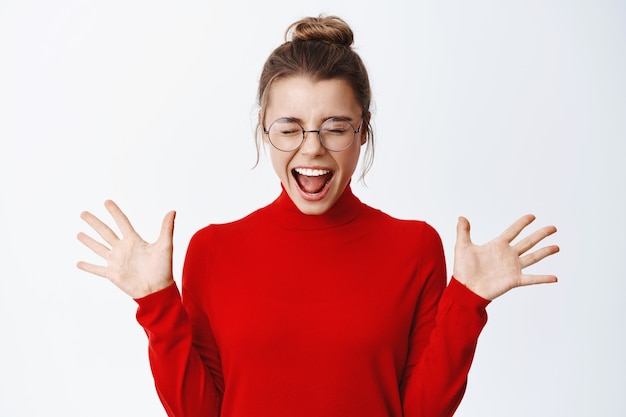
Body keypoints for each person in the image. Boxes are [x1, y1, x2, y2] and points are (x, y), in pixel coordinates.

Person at [77, 15, 559, 417]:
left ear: (364, 131)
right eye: (290, 128)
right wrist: (156, 302)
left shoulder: (413, 247)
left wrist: (467, 302)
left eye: (336, 128)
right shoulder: (212, 250)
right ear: (265, 132)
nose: (312, 148)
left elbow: (421, 411)